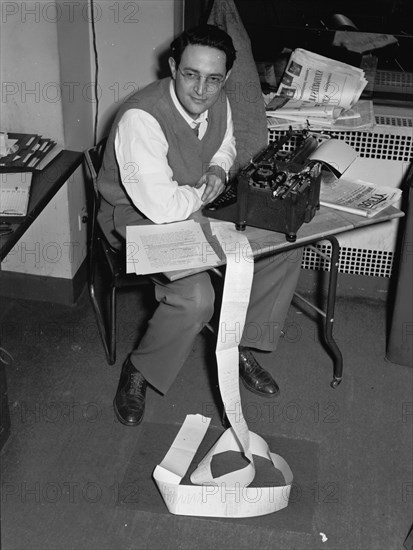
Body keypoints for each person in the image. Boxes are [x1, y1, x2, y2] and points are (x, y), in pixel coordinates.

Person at [96, 24, 303, 427]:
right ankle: (140, 367)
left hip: (193, 198)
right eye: (190, 75)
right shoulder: (141, 117)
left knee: (283, 247)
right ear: (173, 67)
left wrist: (217, 170)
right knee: (196, 298)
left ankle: (235, 343)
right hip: (136, 215)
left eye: (213, 79)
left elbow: (226, 146)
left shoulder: (219, 100)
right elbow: (161, 206)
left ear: (224, 78)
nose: (201, 90)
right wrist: (204, 194)